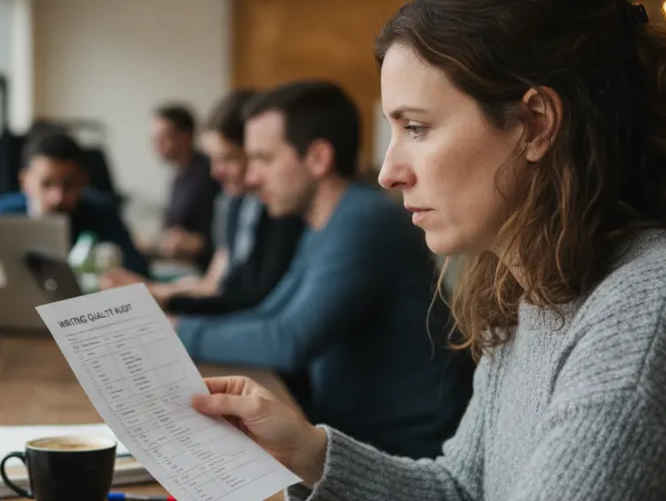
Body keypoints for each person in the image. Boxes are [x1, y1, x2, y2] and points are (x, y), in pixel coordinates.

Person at [34, 0, 666, 501]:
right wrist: (312, 451)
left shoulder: (655, 308)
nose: (389, 170)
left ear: (536, 124)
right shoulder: (542, 283)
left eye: (416, 128)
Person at [176, 80, 471, 456]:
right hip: (351, 438)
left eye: (264, 159)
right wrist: (178, 326)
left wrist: (181, 332)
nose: (251, 177)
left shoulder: (365, 220)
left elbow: (290, 340)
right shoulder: (325, 223)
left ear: (317, 158)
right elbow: (269, 314)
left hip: (401, 453)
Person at [102, 89, 305, 317]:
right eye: (213, 159)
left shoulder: (284, 210)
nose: (216, 173)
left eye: (229, 158)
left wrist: (166, 300)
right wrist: (154, 291)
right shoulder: (235, 203)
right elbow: (216, 284)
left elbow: (255, 302)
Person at [0, 131, 150, 277]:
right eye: (47, 184)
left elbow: (137, 273)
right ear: (25, 181)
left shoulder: (103, 214)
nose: (58, 197)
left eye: (69, 184)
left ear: (84, 181)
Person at [150, 104, 222, 266]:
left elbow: (224, 235)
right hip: (182, 263)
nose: (157, 145)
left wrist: (199, 244)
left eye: (163, 138)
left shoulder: (212, 173)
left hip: (206, 265)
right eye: (155, 139)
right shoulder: (178, 178)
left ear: (185, 136)